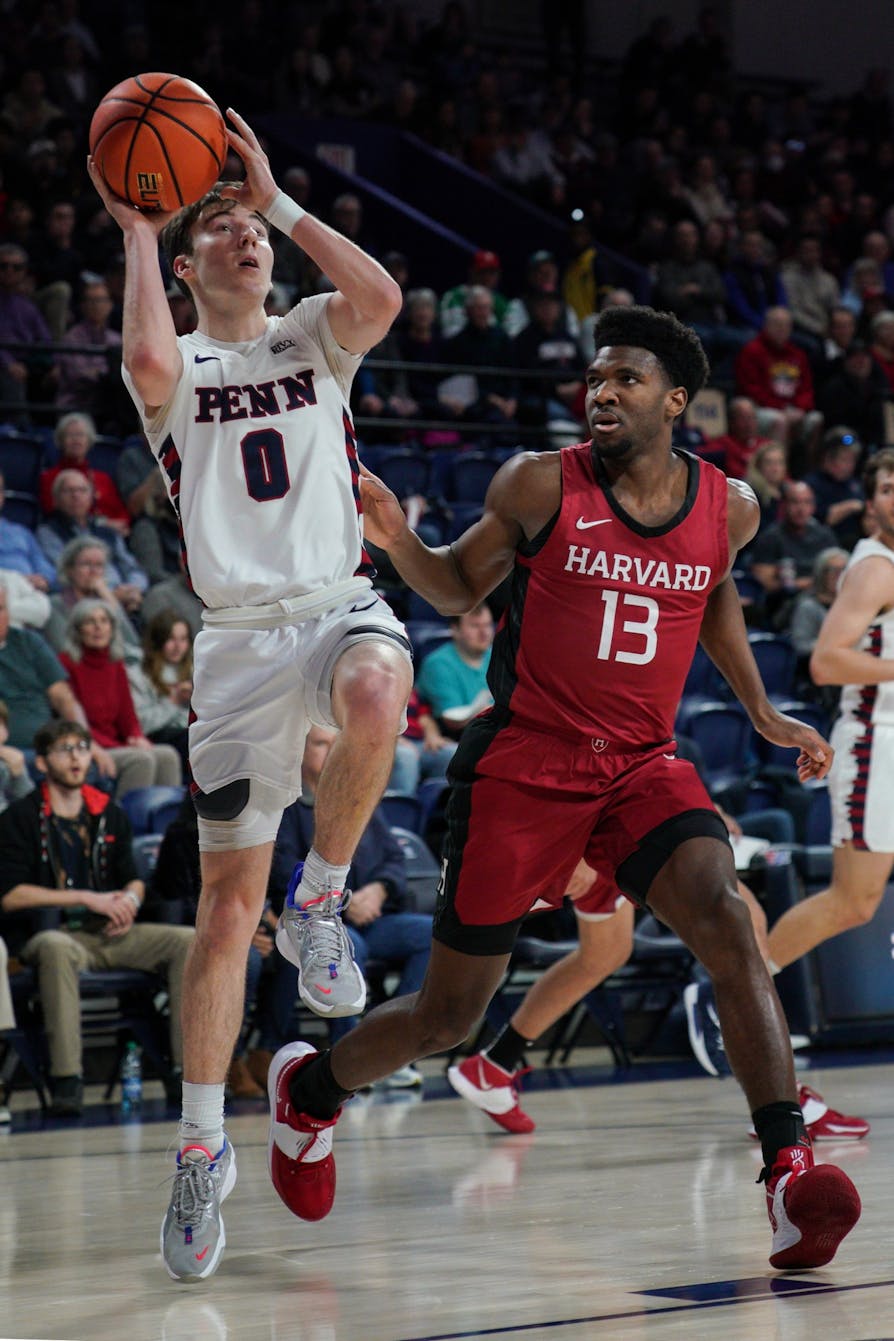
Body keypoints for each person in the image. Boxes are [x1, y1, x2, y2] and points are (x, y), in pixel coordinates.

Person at [265, 304, 860, 1273]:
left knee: (725, 917)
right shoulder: (541, 482)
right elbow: (457, 588)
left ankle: (789, 1172)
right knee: (450, 1015)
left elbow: (712, 594)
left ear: (677, 399)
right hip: (525, 765)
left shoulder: (732, 508)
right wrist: (395, 535)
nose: (602, 395)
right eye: (593, 380)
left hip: (641, 763)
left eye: (624, 380)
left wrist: (757, 710)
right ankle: (312, 1091)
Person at [88, 106, 410, 1283]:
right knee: (227, 914)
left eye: (248, 231)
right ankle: (202, 1146)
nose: (244, 241)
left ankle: (321, 904)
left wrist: (277, 197)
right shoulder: (185, 369)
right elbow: (141, 360)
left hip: (332, 604)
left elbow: (381, 299)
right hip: (234, 649)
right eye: (219, 229)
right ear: (186, 263)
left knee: (382, 684)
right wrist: (136, 226)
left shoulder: (317, 333)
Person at [447, 857, 868, 1143]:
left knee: (605, 952)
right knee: (740, 919)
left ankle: (496, 1064)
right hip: (607, 812)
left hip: (615, 800)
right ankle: (780, 1102)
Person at [0, 719, 194, 1117]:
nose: (75, 757)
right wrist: (86, 897)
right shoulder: (20, 817)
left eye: (82, 748)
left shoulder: (109, 812)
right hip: (51, 933)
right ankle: (68, 1079)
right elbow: (10, 895)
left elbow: (136, 880)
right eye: (64, 749)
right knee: (56, 949)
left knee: (187, 941)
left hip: (110, 932)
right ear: (42, 763)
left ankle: (187, 1073)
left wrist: (128, 901)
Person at [766, 449, 894, 977]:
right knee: (853, 901)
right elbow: (826, 661)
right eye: (887, 489)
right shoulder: (874, 570)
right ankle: (733, 993)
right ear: (870, 506)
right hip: (877, 743)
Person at [267, 725, 433, 1086]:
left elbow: (393, 857)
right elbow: (283, 875)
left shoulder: (358, 798)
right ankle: (353, 1057)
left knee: (430, 936)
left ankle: (392, 1044)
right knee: (348, 949)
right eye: (321, 744)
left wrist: (379, 890)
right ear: (299, 750)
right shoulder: (287, 808)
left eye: (335, 745)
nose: (330, 752)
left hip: (374, 915)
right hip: (320, 923)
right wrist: (343, 903)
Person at [36, 470, 148, 614]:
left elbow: (132, 568)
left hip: (124, 595)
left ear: (91, 496)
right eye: (69, 491)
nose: (76, 496)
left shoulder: (107, 532)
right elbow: (63, 571)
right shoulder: (48, 532)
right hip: (84, 600)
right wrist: (111, 594)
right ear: (56, 498)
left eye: (82, 490)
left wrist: (132, 589)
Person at [39, 412, 130, 532]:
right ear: (60, 441)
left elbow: (122, 514)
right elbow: (56, 513)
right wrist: (102, 524)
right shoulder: (49, 478)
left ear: (89, 441)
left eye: (81, 435)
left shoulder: (103, 478)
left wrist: (120, 526)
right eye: (70, 435)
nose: (76, 440)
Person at [414, 605, 494, 739]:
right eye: (475, 626)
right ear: (455, 629)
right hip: (453, 738)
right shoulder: (438, 664)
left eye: (488, 625)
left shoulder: (499, 656)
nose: (484, 632)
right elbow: (453, 722)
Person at [126, 610, 193, 765]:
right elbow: (141, 724)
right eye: (171, 639)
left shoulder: (195, 670)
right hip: (158, 736)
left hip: (189, 732)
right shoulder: (137, 674)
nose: (178, 646)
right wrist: (174, 701)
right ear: (158, 641)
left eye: (183, 639)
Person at [0, 470, 58, 592]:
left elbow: (45, 567)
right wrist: (17, 580)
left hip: (30, 592)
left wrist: (43, 579)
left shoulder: (20, 532)